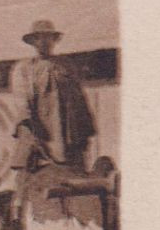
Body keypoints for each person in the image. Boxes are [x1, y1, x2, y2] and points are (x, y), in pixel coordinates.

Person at [8, 19, 97, 170]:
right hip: (42, 130)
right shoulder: (23, 68)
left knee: (74, 167)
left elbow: (80, 98)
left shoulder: (66, 65)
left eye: (47, 37)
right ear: (33, 42)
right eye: (38, 38)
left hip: (68, 131)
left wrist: (86, 129)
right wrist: (29, 126)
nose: (43, 42)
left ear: (54, 40)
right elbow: (21, 99)